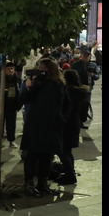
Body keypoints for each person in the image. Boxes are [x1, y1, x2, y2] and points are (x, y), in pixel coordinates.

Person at [19, 58, 71, 197]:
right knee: (33, 154)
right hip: (36, 125)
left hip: (53, 126)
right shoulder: (37, 83)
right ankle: (29, 183)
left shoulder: (59, 84)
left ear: (50, 69)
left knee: (47, 156)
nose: (40, 69)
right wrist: (29, 86)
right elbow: (24, 100)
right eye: (39, 67)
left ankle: (42, 183)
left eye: (42, 67)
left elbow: (66, 104)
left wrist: (62, 118)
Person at [58, 69, 88, 185]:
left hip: (66, 123)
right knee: (68, 150)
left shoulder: (68, 92)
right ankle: (70, 172)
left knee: (63, 150)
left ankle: (70, 175)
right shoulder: (81, 92)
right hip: (75, 123)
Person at [0, 62, 21, 148]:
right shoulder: (0, 80)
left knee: (11, 124)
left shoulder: (17, 80)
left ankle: (11, 140)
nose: (10, 70)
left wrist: (19, 104)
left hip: (12, 106)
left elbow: (21, 92)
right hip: (2, 105)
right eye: (8, 69)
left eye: (12, 69)